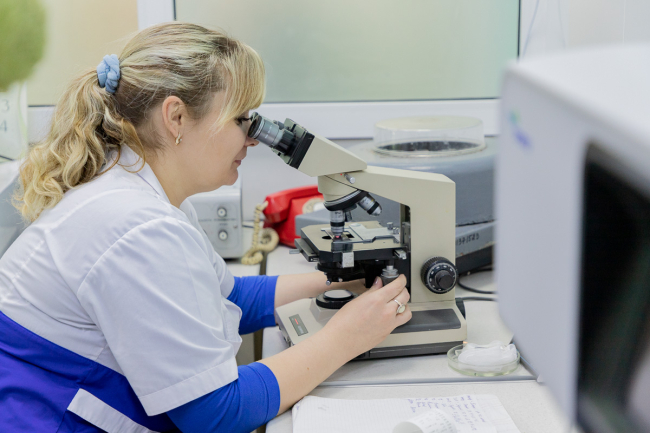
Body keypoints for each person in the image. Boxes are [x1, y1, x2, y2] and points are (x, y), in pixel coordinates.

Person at [0, 22, 411, 433]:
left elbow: (230, 298)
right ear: (176, 117)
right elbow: (216, 413)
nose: (253, 139)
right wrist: (347, 337)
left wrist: (340, 279)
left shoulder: (144, 191)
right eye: (241, 119)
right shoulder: (136, 226)